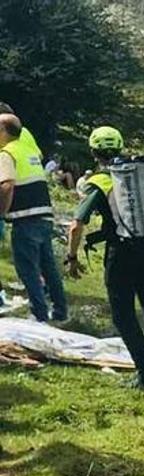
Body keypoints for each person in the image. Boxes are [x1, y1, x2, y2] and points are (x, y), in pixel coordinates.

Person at [66, 127, 144, 390]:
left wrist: (72, 256)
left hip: (120, 254)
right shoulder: (137, 175)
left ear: (93, 152)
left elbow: (77, 223)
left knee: (123, 315)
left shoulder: (101, 180)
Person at [0, 114, 68, 323]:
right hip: (44, 215)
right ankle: (60, 311)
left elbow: (7, 185)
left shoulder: (6, 154)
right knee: (48, 267)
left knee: (27, 268)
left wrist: (1, 212)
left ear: (3, 130)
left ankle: (38, 314)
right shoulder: (28, 150)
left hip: (24, 217)